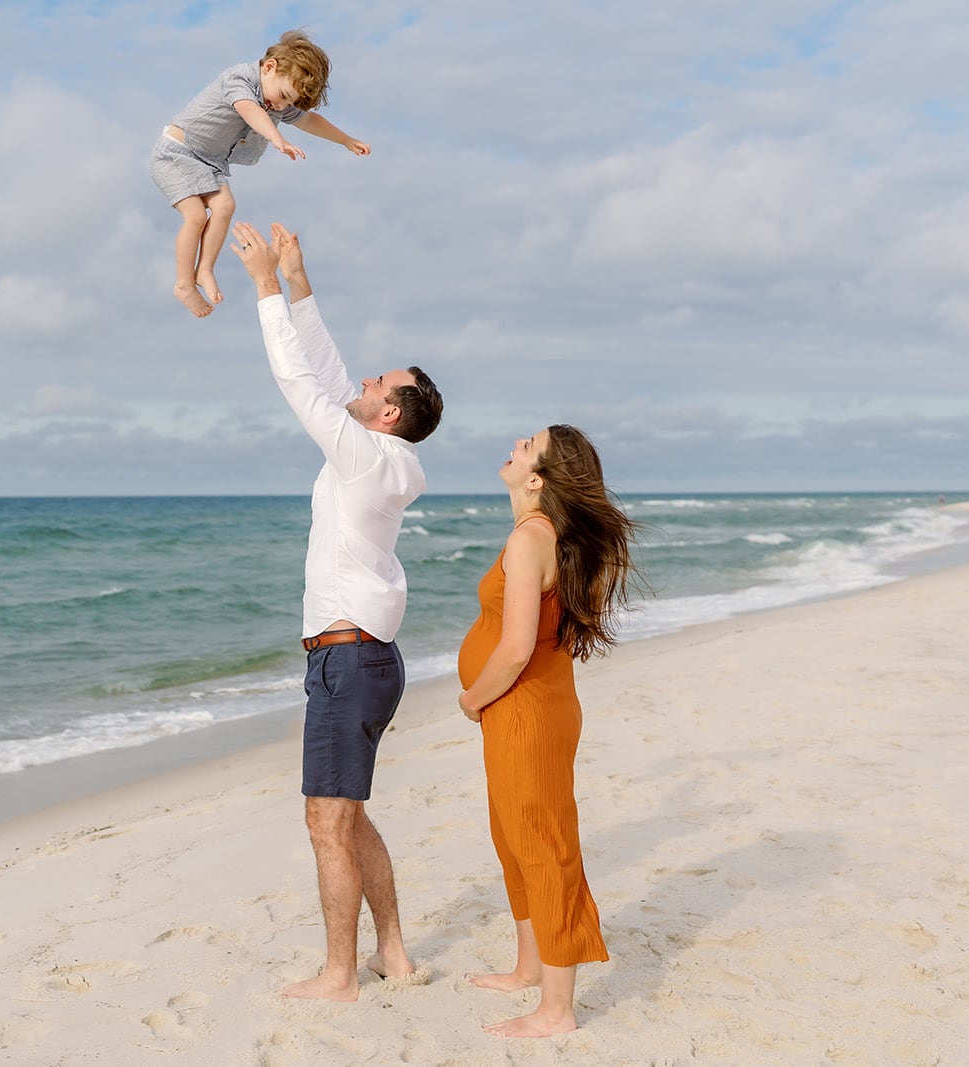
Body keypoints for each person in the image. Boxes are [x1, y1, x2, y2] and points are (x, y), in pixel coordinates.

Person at [230, 219, 443, 1001]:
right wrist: (300, 277)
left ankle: (338, 974)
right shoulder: (389, 456)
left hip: (345, 658)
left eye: (373, 387)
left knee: (327, 820)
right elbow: (329, 372)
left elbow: (302, 382)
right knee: (348, 814)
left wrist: (263, 289)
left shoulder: (360, 456)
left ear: (389, 412)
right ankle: (394, 950)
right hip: (364, 659)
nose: (360, 386)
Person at [456, 424, 642, 1037]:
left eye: (525, 444)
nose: (512, 443)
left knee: (541, 843)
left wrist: (471, 698)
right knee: (512, 836)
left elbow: (512, 651)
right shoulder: (536, 534)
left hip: (523, 707)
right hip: (526, 706)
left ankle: (557, 1010)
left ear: (536, 479)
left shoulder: (531, 538)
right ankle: (528, 967)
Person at [152, 30, 371, 319]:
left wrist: (345, 139)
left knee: (226, 206)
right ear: (269, 68)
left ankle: (204, 269)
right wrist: (277, 139)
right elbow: (248, 109)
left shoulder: (277, 102)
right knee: (195, 216)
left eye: (287, 103)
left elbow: (309, 120)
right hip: (176, 152)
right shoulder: (239, 79)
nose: (280, 106)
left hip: (209, 162)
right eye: (282, 96)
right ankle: (184, 284)